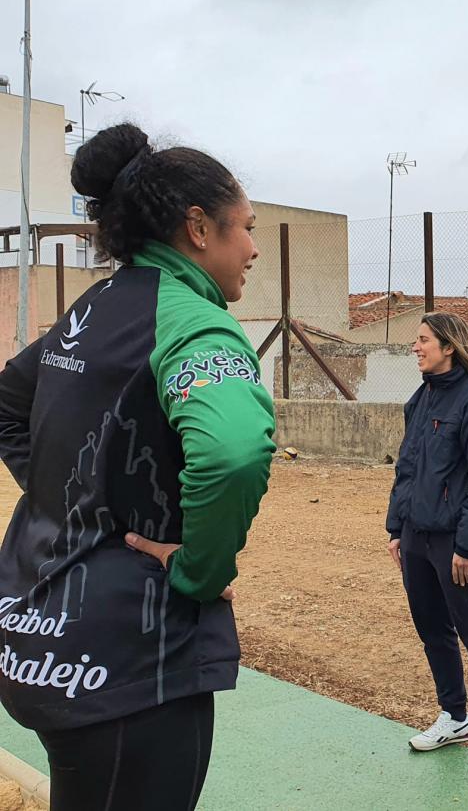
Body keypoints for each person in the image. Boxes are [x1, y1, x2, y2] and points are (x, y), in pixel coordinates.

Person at [0, 123, 275, 810]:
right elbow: (233, 451)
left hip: (43, 633)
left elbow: (8, 399)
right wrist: (199, 570)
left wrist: (73, 502)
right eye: (244, 226)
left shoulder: (93, 309)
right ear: (198, 228)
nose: (253, 247)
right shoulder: (194, 324)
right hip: (130, 659)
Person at [385, 312, 468, 775]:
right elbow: (407, 469)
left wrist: (467, 545)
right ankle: (455, 717)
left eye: (423, 340)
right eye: (416, 341)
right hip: (416, 539)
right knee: (433, 631)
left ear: (448, 347)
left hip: (458, 546)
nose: (415, 348)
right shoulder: (420, 400)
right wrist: (395, 529)